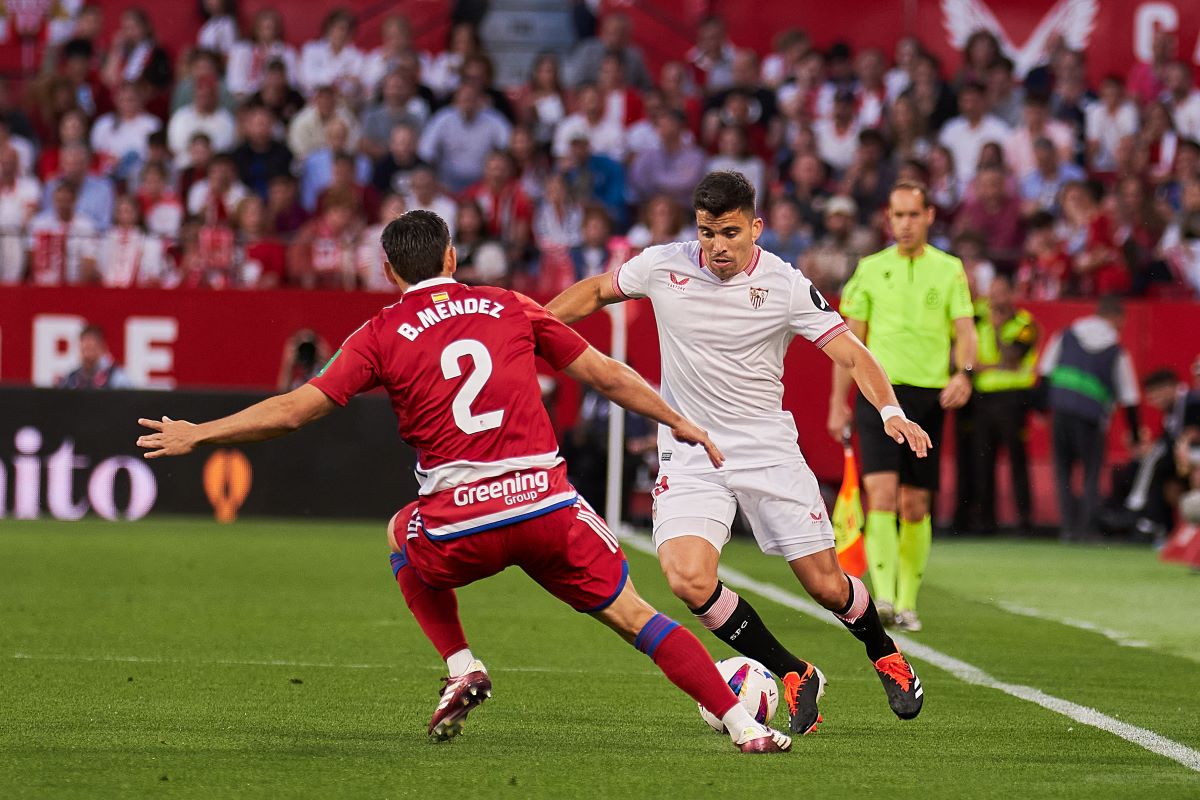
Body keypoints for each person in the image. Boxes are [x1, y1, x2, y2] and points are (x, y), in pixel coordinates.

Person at [135, 209, 793, 754]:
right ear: (452, 257)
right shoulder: (509, 305)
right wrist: (681, 421)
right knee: (636, 615)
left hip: (463, 526)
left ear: (390, 272)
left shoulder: (379, 334)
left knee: (400, 534)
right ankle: (745, 727)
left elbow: (293, 411)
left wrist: (201, 433)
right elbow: (605, 375)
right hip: (546, 509)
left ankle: (461, 664)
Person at [548, 171, 931, 735]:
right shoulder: (663, 265)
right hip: (691, 449)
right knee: (687, 579)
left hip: (767, 446)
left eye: (729, 232)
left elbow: (851, 351)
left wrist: (890, 411)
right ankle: (795, 672)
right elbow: (598, 290)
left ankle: (884, 652)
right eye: (707, 233)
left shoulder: (785, 284)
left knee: (825, 584)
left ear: (755, 227)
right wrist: (531, 323)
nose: (717, 246)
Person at [828, 180, 978, 633]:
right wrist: (838, 402)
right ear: (887, 219)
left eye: (913, 215)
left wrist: (963, 373)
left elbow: (966, 332)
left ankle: (908, 602)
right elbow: (846, 342)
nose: (905, 224)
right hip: (878, 395)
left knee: (915, 504)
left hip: (929, 396)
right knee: (882, 495)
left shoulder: (950, 270)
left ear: (930, 215)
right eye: (898, 216)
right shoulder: (869, 269)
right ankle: (886, 598)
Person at [1038, 296, 1142, 540]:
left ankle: (1067, 528)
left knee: (1063, 471)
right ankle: (1086, 529)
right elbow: (1129, 397)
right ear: (1116, 317)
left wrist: (1041, 410)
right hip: (1092, 419)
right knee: (1091, 473)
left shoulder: (1065, 336)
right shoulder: (1116, 350)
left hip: (1061, 412)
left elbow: (1044, 374)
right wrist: (1135, 436)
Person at [969, 275, 1040, 533]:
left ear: (1011, 294)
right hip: (984, 399)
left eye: (1000, 292)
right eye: (992, 292)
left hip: (1014, 398)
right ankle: (986, 521)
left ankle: (1025, 519)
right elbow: (968, 358)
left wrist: (998, 331)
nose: (995, 299)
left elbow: (1012, 359)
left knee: (1017, 459)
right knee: (983, 460)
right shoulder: (979, 321)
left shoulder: (1025, 324)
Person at [58, 324, 133, 389]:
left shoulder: (116, 376)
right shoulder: (72, 378)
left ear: (102, 348)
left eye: (92, 349)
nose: (88, 354)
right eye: (85, 349)